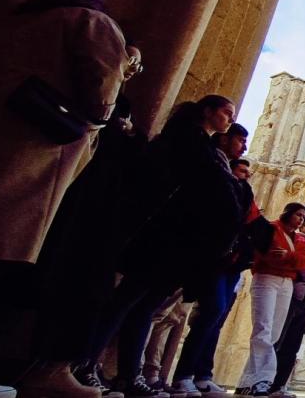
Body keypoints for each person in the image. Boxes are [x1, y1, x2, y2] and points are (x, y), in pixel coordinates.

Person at [0, 0, 128, 397]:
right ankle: (19, 365)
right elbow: (102, 94)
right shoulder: (90, 22)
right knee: (2, 257)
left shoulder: (14, 25)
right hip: (35, 149)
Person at [74, 95, 243, 398]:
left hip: (178, 240)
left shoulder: (201, 145)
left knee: (144, 305)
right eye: (226, 112)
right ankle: (83, 364)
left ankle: (128, 374)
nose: (230, 119)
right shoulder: (188, 141)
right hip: (163, 236)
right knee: (127, 300)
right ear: (207, 111)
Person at [169, 126, 255, 398]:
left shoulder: (243, 194)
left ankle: (202, 375)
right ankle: (182, 375)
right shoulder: (218, 180)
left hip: (233, 263)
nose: (245, 178)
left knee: (215, 317)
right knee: (207, 312)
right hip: (215, 259)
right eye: (242, 172)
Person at [234, 203, 305, 397]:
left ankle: (246, 381)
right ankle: (264, 380)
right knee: (263, 327)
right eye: (298, 215)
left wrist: (288, 256)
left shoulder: (301, 239)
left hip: (287, 283)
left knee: (274, 331)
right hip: (267, 278)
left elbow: (304, 262)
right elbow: (269, 255)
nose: (301, 219)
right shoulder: (270, 228)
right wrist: (291, 258)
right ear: (287, 213)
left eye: (303, 216)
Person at [270, 214, 305, 397]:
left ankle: (279, 385)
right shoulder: (297, 241)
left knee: (292, 344)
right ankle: (267, 382)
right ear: (302, 226)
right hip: (291, 296)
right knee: (279, 339)